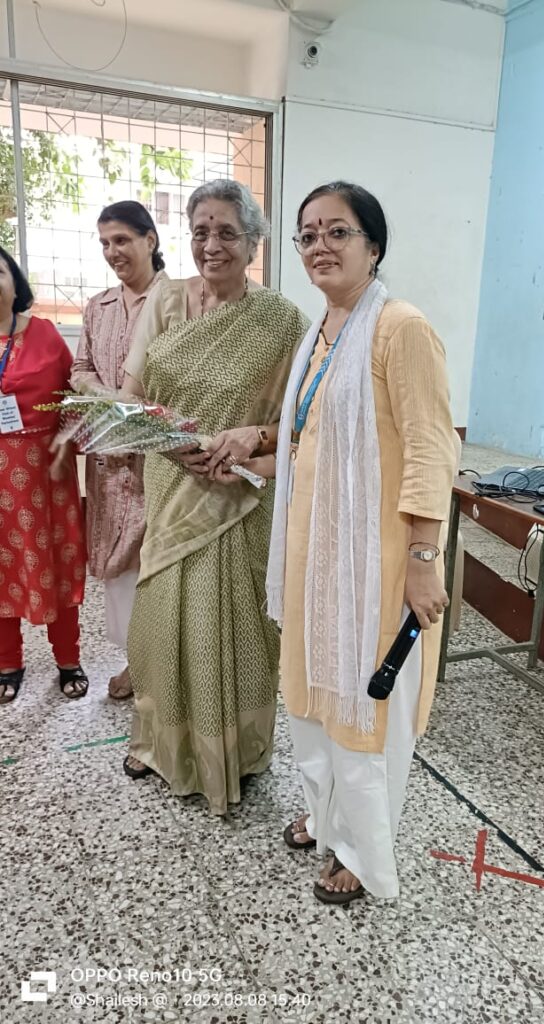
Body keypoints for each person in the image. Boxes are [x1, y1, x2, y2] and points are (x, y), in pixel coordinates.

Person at [263, 182, 456, 904]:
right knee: (314, 693)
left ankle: (363, 852)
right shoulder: (323, 330)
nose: (320, 246)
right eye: (308, 234)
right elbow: (314, 439)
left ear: (373, 246)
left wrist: (423, 560)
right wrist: (252, 450)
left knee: (364, 704)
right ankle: (326, 817)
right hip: (316, 557)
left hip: (377, 562)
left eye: (337, 231)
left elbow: (431, 450)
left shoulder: (399, 327)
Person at [121, 179, 309, 814]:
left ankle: (236, 752)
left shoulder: (282, 322)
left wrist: (252, 446)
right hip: (172, 484)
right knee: (163, 618)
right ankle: (161, 743)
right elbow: (129, 399)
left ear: (254, 243)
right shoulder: (166, 301)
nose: (211, 245)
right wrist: (173, 446)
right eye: (200, 231)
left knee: (234, 626)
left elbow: (303, 422)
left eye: (227, 232)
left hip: (239, 499)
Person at [70, 201, 167, 700]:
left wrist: (139, 410)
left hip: (161, 459)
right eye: (105, 243)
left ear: (150, 240)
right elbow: (80, 368)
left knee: (158, 564)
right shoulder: (99, 306)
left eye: (122, 240)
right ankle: (135, 659)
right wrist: (107, 397)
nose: (113, 252)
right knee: (119, 569)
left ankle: (163, 666)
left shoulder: (178, 301)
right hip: (109, 459)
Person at [0, 248, 88, 704]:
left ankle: (68, 659)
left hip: (46, 471)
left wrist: (66, 443)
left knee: (59, 562)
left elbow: (74, 399)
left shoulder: (46, 334)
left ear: (15, 282)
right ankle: (7, 663)